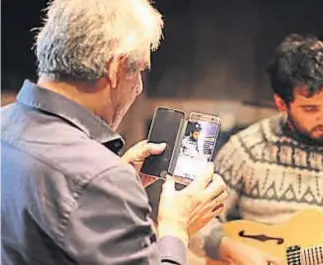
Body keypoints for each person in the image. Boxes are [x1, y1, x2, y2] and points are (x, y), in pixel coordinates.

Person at [1, 0, 228, 264]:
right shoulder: (102, 178)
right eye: (140, 70)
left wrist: (111, 185)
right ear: (116, 69)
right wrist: (175, 227)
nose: (140, 87)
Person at [188, 34, 323, 265]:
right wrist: (231, 250)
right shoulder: (245, 151)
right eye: (310, 108)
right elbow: (195, 224)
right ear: (282, 104)